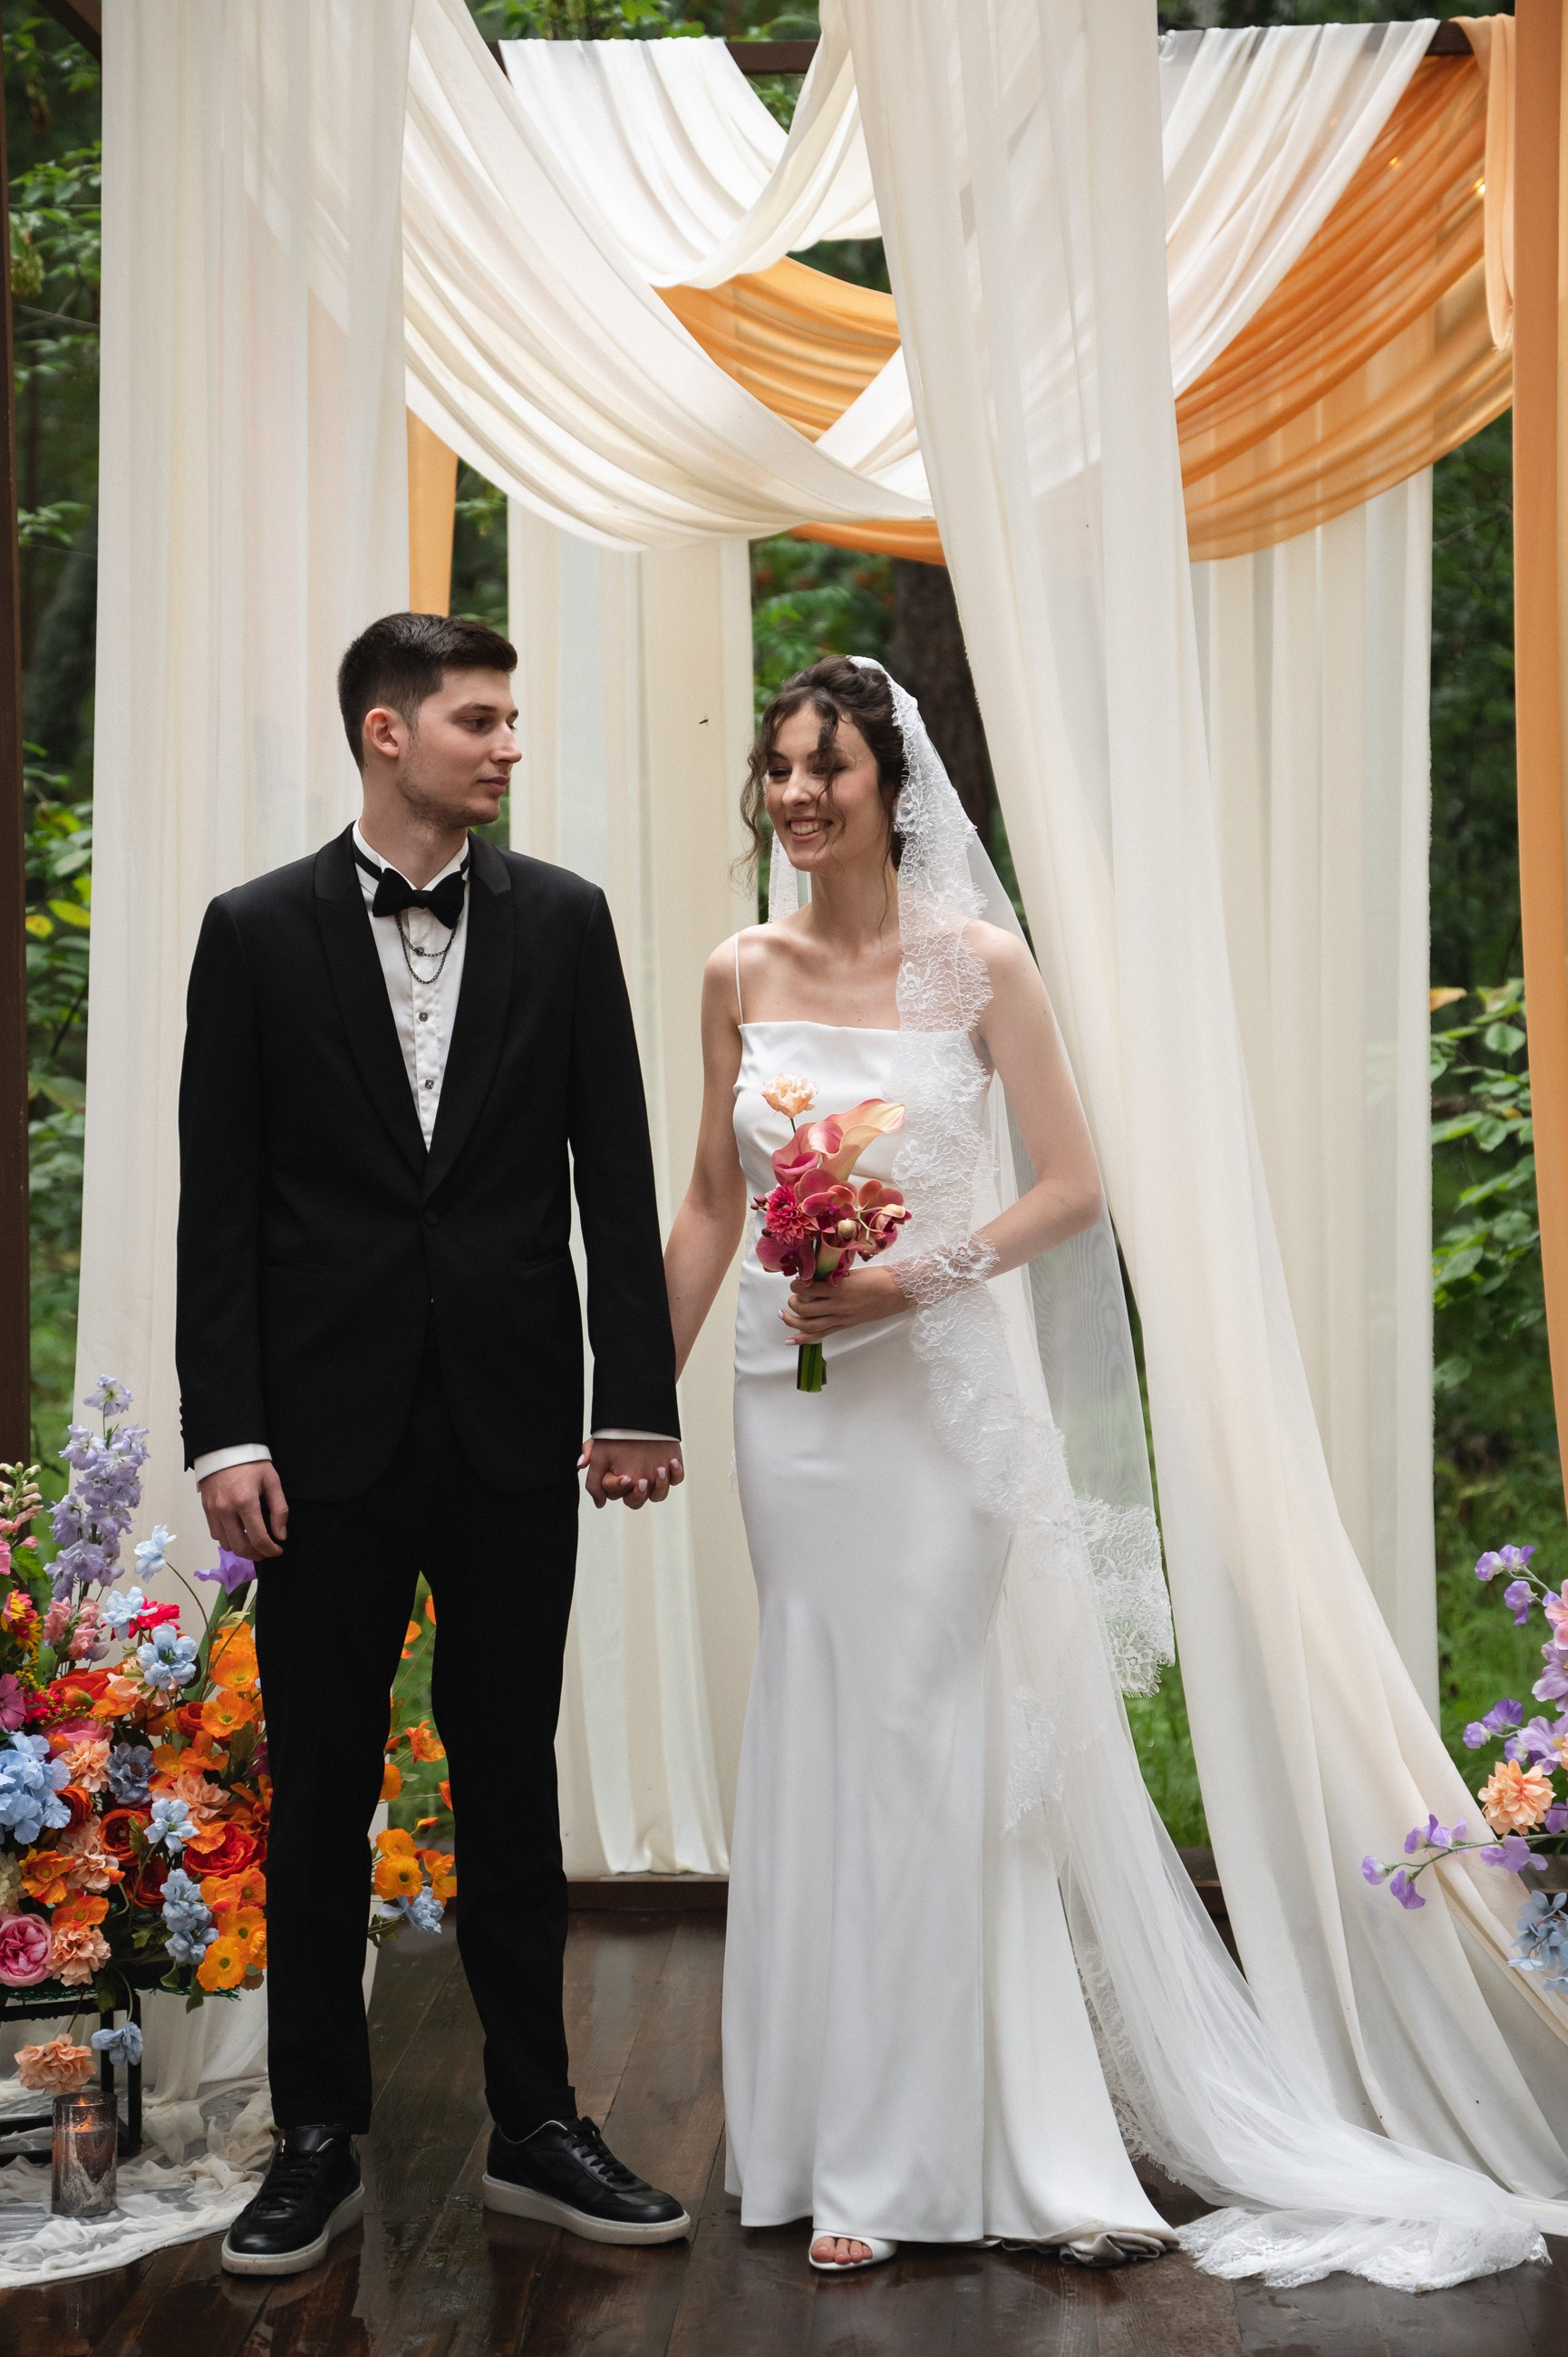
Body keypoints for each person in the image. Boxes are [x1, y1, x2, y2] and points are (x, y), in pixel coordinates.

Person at [661, 655, 1549, 2285]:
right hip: (788, 1411)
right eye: (776, 769)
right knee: (815, 1725)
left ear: (891, 786)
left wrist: (910, 1276)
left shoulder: (979, 965)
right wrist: (628, 1396)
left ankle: (906, 2152)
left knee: (926, 1738)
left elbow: (1071, 1186)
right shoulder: (737, 968)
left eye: (824, 769)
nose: (793, 796)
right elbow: (715, 1198)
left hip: (937, 1403)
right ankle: (805, 2135)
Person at [177, 611, 691, 2276]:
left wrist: (632, 1397)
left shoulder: (566, 921)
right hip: (314, 1440)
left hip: (510, 1426)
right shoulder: (252, 932)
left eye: (512, 719)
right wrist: (224, 1432)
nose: (508, 745)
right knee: (321, 1784)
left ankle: (537, 2124)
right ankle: (314, 2139)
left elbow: (615, 1171)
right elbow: (218, 1209)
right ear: (386, 733)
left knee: (508, 1777)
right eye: (480, 719)